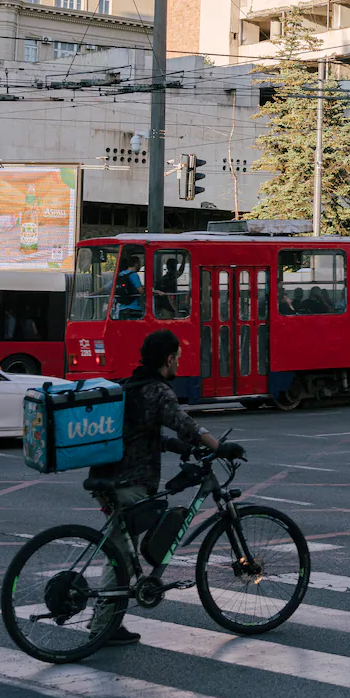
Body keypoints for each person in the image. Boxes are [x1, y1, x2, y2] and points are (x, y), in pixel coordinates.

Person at [89, 329, 243, 645]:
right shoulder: (158, 391)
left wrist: (174, 446)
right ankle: (101, 627)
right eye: (178, 358)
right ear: (169, 358)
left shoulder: (130, 386)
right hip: (128, 483)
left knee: (120, 551)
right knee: (119, 553)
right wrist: (216, 446)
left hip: (109, 477)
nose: (178, 364)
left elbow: (137, 433)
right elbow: (184, 422)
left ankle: (107, 623)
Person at [113, 253, 144, 320]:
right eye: (139, 263)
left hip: (121, 308)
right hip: (133, 308)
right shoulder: (133, 275)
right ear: (136, 264)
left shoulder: (121, 274)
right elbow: (141, 291)